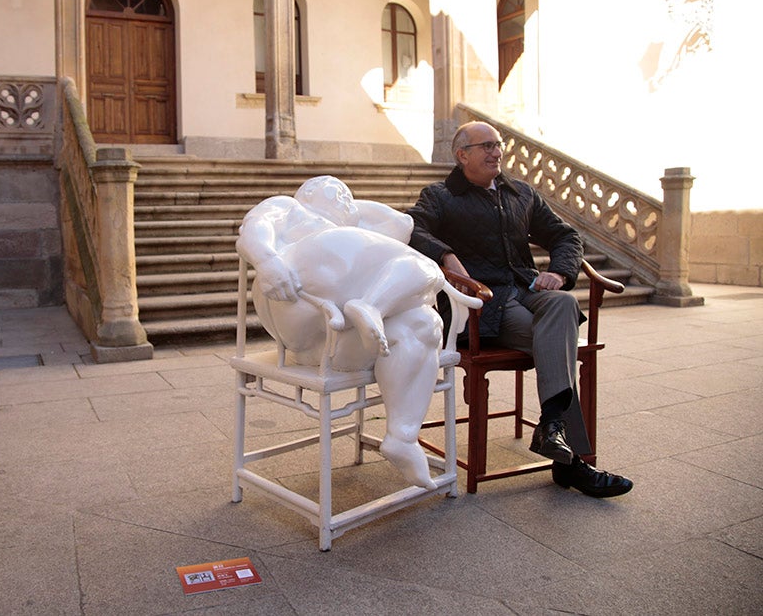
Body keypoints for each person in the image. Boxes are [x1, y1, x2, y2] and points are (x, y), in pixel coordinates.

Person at [406, 121, 633, 498]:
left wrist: (560, 272)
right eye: (486, 146)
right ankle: (572, 464)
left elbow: (565, 235)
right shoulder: (441, 195)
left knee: (561, 303)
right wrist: (446, 254)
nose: (497, 152)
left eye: (498, 145)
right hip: (485, 306)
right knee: (559, 346)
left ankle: (551, 427)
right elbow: (412, 228)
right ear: (462, 155)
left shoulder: (521, 193)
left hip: (527, 288)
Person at [237, 175, 463, 489]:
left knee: (424, 325)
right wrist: (266, 259)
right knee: (427, 270)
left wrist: (350, 209)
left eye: (349, 194)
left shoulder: (354, 230)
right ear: (310, 192)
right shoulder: (291, 209)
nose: (346, 198)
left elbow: (402, 224)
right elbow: (254, 227)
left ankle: (402, 437)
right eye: (338, 191)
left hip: (340, 341)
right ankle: (372, 305)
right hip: (299, 307)